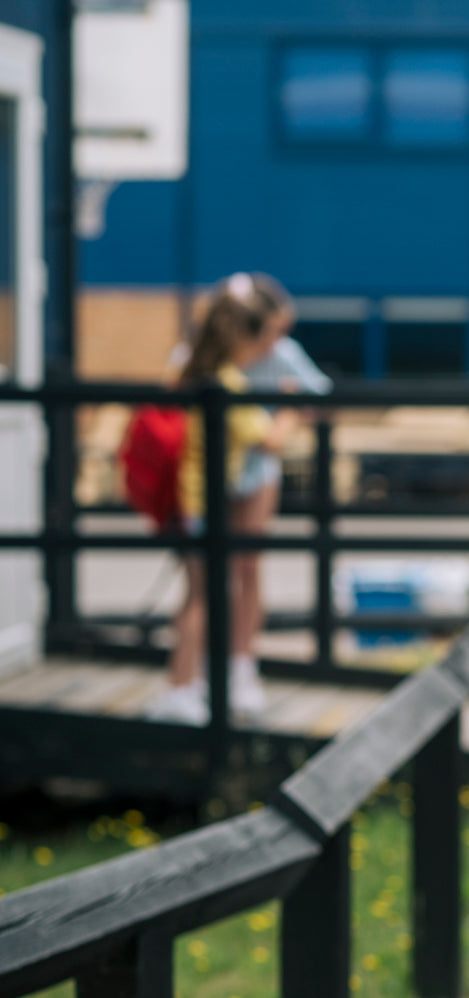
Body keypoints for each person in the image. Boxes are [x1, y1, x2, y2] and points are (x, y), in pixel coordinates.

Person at [143, 274, 300, 726]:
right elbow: (268, 439)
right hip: (205, 507)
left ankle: (186, 686)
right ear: (243, 337)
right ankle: (182, 689)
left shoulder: (194, 372)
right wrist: (288, 406)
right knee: (203, 598)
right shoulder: (229, 384)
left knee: (197, 595)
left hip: (190, 503)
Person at [234, 274, 332, 713]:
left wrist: (292, 414)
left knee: (249, 569)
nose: (279, 339)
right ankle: (200, 670)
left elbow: (321, 395)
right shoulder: (221, 356)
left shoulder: (283, 355)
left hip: (256, 473)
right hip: (213, 475)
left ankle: (241, 664)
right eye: (273, 329)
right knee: (206, 578)